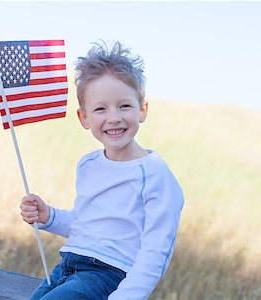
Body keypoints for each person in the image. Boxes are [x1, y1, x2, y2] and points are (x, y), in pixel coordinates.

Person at [20, 41, 184, 300]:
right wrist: (49, 216)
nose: (114, 117)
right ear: (84, 118)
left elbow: (156, 252)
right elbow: (87, 225)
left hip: (107, 276)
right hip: (66, 267)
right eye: (100, 109)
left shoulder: (154, 175)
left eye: (124, 106)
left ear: (142, 110)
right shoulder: (88, 165)